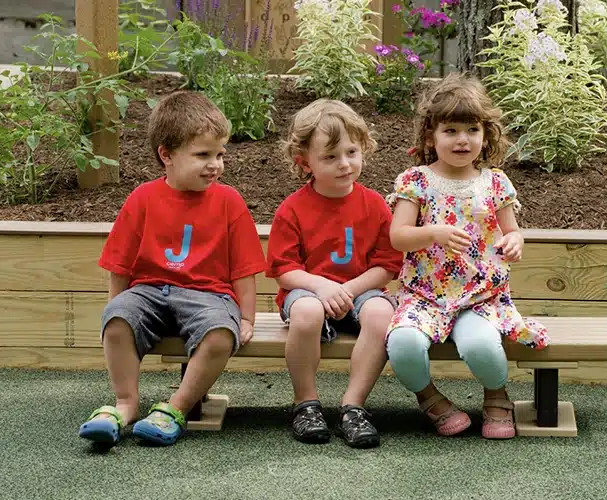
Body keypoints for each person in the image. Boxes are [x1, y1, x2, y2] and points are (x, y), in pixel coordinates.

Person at [78, 91, 266, 447]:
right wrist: (116, 310)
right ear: (167, 155)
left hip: (209, 295)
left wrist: (247, 318)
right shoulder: (143, 198)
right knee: (118, 319)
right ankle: (125, 404)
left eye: (220, 154)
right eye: (203, 155)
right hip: (149, 291)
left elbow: (245, 267)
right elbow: (119, 262)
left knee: (220, 334)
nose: (216, 165)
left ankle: (175, 408)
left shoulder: (229, 201)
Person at [386, 73, 549, 440]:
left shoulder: (494, 182)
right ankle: (430, 399)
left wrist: (516, 242)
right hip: (424, 295)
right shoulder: (416, 181)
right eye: (451, 130)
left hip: (481, 297)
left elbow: (512, 231)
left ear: (485, 135)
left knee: (480, 346)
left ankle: (497, 395)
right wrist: (434, 233)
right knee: (403, 344)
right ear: (431, 136)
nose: (462, 139)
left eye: (472, 129)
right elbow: (398, 237)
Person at [266, 99, 403, 448]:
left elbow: (387, 265)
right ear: (304, 162)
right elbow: (284, 270)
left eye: (351, 152)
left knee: (381, 312)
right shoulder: (293, 209)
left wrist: (350, 290)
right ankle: (305, 405)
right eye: (330, 157)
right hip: (308, 294)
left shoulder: (374, 205)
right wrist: (322, 287)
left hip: (361, 291)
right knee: (307, 311)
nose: (344, 164)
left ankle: (353, 407)